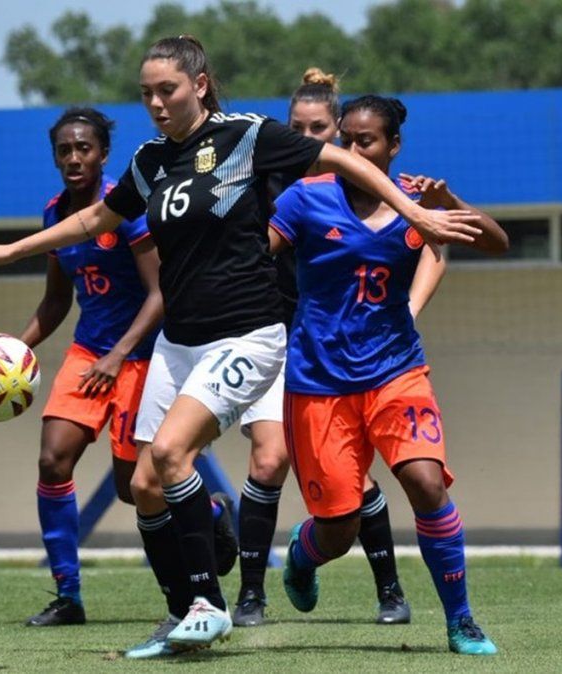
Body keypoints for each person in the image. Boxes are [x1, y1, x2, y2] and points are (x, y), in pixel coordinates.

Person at [0, 36, 487, 656]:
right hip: (178, 342)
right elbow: (96, 219)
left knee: (171, 453)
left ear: (200, 85)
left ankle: (209, 606)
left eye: (168, 90)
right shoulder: (151, 160)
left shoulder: (246, 136)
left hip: (247, 334)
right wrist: (13, 250)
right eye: (147, 93)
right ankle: (180, 613)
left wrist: (415, 213)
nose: (156, 103)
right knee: (144, 487)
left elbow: (345, 162)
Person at [270, 95, 507, 656]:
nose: (353, 149)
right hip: (319, 384)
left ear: (393, 145)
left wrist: (450, 203)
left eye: (366, 140)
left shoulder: (417, 204)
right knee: (339, 528)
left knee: (426, 483)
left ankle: (462, 621)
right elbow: (256, 252)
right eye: (346, 140)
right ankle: (303, 558)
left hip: (396, 373)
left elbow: (497, 243)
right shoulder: (305, 198)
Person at [232, 68, 442, 628]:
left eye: (319, 129)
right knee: (269, 459)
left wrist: (410, 308)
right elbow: (242, 255)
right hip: (271, 340)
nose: (308, 141)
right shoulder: (264, 184)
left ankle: (389, 589)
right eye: (296, 130)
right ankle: (251, 595)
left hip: (348, 354)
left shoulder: (377, 187)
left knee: (359, 483)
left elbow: (432, 242)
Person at [19, 107, 164, 626]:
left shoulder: (125, 206)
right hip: (88, 355)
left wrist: (119, 353)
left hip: (140, 356)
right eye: (65, 150)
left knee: (132, 488)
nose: (74, 157)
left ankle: (209, 515)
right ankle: (68, 596)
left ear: (103, 154)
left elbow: (160, 293)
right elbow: (58, 300)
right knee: (52, 461)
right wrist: (16, 350)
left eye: (84, 148)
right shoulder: (55, 214)